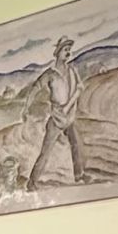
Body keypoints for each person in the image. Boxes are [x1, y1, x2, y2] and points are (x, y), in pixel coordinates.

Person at [27, 35, 85, 189]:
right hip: (57, 115)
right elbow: (35, 88)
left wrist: (70, 105)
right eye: (65, 50)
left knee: (76, 144)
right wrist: (26, 106)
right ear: (58, 53)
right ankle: (32, 182)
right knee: (46, 150)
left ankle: (79, 176)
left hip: (69, 115)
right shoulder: (50, 74)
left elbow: (79, 88)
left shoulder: (72, 70)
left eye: (69, 50)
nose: (68, 53)